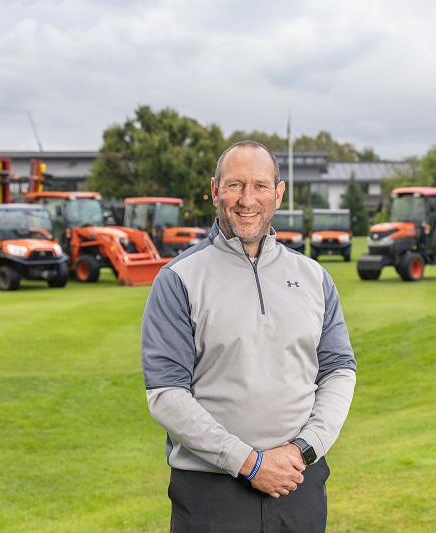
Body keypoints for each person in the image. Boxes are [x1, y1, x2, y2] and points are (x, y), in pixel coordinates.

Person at [141, 140, 357, 532]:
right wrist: (249, 463)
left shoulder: (314, 277)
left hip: (298, 483)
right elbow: (167, 394)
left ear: (279, 193)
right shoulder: (178, 279)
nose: (247, 199)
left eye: (260, 186)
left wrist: (304, 449)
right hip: (211, 493)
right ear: (215, 190)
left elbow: (338, 371)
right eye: (235, 185)